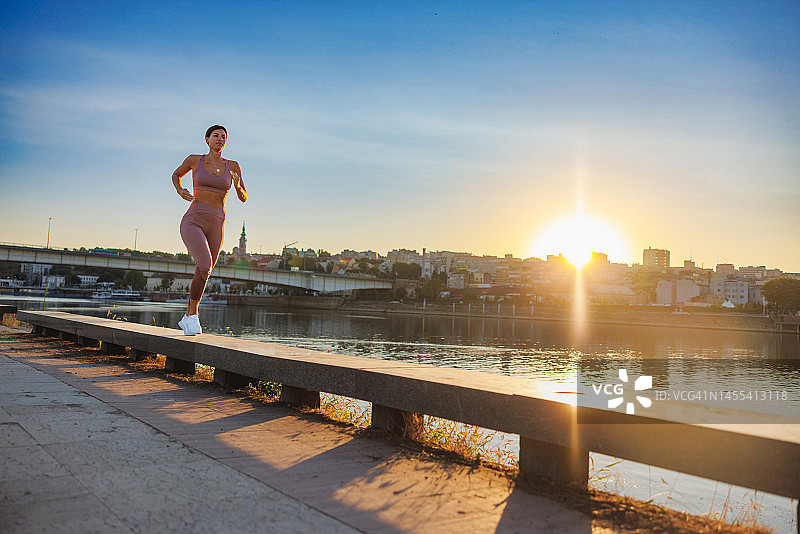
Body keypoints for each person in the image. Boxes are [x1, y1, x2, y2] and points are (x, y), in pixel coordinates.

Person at [171, 125, 247, 335]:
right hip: (194, 219)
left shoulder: (233, 165)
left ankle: (187, 317)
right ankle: (193, 315)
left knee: (206, 271)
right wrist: (180, 190)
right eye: (216, 136)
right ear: (207, 139)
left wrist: (239, 185)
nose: (220, 139)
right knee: (203, 264)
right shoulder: (195, 160)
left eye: (224, 137)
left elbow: (243, 197)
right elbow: (176, 174)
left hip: (218, 223)